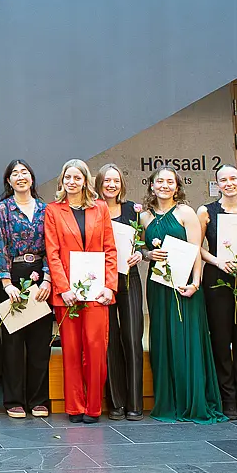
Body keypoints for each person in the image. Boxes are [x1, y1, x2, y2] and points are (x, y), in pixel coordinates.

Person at [141, 166, 227, 424]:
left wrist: (196, 282)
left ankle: (191, 400)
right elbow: (142, 250)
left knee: (185, 339)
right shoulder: (144, 217)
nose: (165, 185)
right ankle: (168, 400)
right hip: (157, 285)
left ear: (177, 187)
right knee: (163, 339)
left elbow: (196, 250)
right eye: (160, 181)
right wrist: (147, 254)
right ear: (152, 186)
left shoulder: (186, 213)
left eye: (170, 182)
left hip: (184, 285)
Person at [44, 160, 117, 424]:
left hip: (97, 292)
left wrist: (110, 286)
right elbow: (52, 254)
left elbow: (110, 249)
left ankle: (94, 407)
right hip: (68, 295)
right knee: (72, 350)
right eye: (67, 177)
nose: (72, 182)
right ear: (61, 181)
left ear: (85, 181)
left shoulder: (100, 209)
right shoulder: (53, 211)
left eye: (77, 177)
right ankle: (74, 407)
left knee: (96, 349)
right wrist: (63, 289)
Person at [197, 164, 237, 421]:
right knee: (221, 340)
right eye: (223, 180)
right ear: (217, 184)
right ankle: (227, 399)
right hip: (216, 276)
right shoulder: (207, 211)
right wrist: (217, 262)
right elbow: (197, 247)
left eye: (233, 178)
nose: (229, 183)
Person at [0, 159, 53, 419]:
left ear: (32, 178)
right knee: (13, 345)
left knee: (40, 344)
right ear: (8, 181)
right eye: (14, 174)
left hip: (41, 276)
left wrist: (48, 279)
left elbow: (53, 246)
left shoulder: (46, 210)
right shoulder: (1, 210)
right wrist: (6, 283)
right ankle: (14, 400)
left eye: (24, 172)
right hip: (13, 276)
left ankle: (38, 399)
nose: (20, 177)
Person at [96, 163, 145, 421]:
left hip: (129, 280)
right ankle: (116, 402)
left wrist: (142, 253)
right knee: (110, 341)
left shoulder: (133, 210)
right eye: (106, 181)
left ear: (121, 184)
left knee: (132, 339)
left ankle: (135, 402)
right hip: (102, 282)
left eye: (116, 180)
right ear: (99, 184)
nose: (111, 185)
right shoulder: (92, 209)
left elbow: (148, 243)